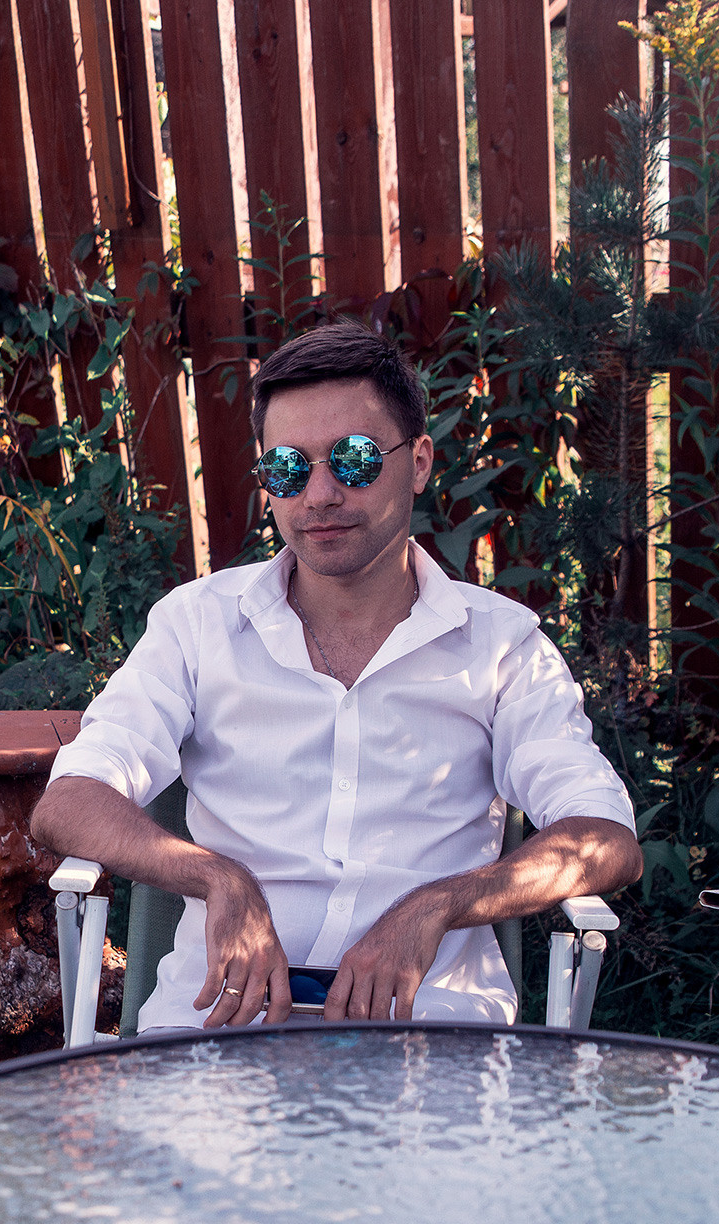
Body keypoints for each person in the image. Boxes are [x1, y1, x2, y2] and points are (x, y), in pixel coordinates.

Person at [32, 321, 643, 1029]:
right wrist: (216, 877)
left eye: (354, 459)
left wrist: (437, 905)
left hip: (430, 1031)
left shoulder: (501, 648)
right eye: (287, 468)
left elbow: (606, 837)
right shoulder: (196, 627)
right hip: (220, 1026)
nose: (318, 494)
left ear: (419, 462)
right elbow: (68, 803)